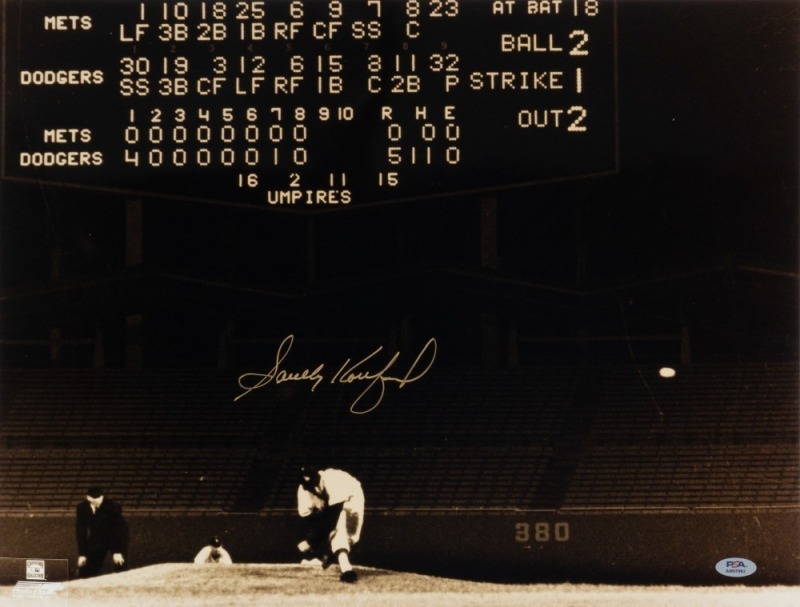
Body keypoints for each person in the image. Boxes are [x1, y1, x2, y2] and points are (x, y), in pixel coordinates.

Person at [296, 467, 364, 583]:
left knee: (350, 536)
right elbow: (306, 517)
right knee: (339, 533)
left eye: (313, 484)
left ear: (318, 477)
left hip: (352, 499)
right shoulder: (304, 489)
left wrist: (312, 542)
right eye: (308, 486)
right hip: (331, 507)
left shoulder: (335, 480)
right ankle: (347, 570)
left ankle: (331, 552)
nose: (312, 488)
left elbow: (334, 516)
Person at [75, 487, 128, 578]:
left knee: (120, 563)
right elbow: (81, 531)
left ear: (103, 497)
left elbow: (118, 529)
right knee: (88, 568)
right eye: (94, 499)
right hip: (96, 538)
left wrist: (117, 551)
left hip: (114, 537)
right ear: (88, 498)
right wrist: (82, 554)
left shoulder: (113, 506)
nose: (97, 502)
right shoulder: (82, 508)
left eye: (99, 499)